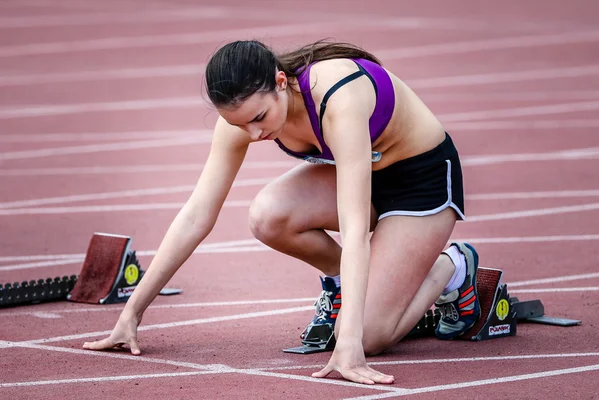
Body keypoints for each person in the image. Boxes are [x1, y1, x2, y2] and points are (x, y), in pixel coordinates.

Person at [82, 39, 481, 385]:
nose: (255, 135)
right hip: (362, 176)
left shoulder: (337, 97)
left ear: (279, 82)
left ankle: (450, 268)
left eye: (260, 118)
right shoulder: (241, 119)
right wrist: (133, 312)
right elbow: (197, 214)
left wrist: (349, 345)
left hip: (420, 184)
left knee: (367, 337)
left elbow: (355, 230)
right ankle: (357, 285)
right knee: (267, 215)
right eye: (240, 125)